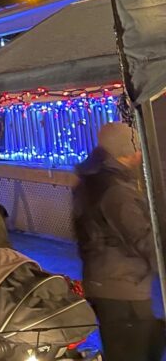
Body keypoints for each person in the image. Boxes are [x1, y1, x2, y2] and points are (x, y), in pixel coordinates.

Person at [73, 122, 165, 361]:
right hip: (122, 288)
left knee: (141, 346)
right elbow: (144, 238)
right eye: (136, 149)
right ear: (125, 152)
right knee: (134, 352)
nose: (140, 154)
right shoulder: (116, 191)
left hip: (107, 282)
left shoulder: (93, 181)